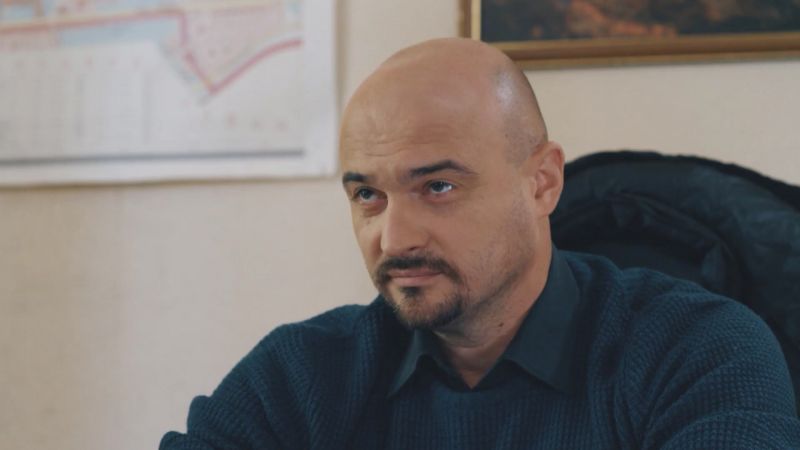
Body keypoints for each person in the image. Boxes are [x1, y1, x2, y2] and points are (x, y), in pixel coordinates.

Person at [161, 38, 800, 449]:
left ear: (542, 182)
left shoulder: (700, 351)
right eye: (368, 195)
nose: (394, 237)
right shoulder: (301, 375)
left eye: (438, 187)